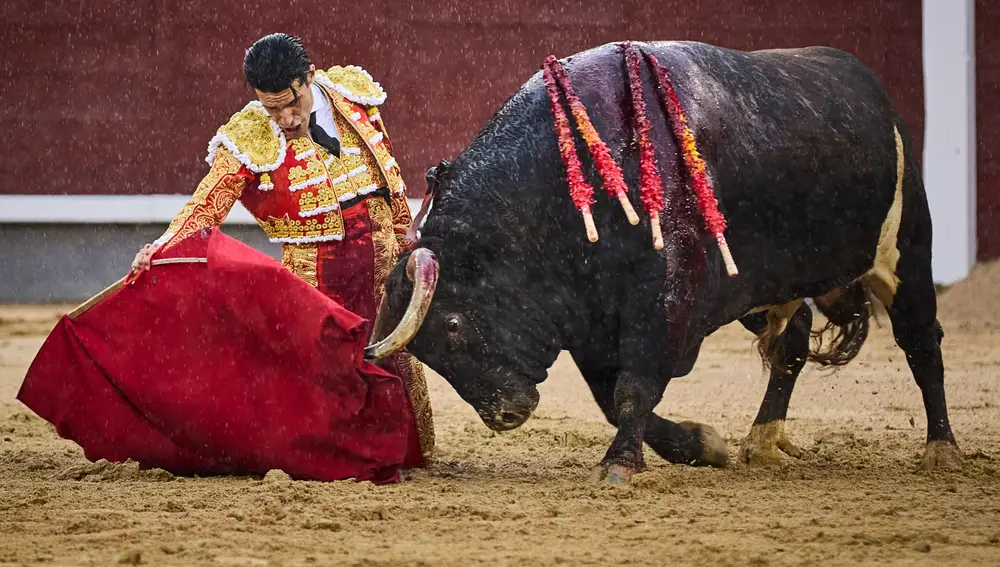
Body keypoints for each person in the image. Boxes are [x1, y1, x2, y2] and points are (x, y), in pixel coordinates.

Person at [130, 33, 434, 460]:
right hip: (315, 273)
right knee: (328, 364)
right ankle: (342, 458)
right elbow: (208, 201)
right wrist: (164, 245)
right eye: (273, 109)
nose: (287, 118)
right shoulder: (252, 132)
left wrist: (405, 236)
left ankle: (403, 453)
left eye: (293, 104)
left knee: (392, 355)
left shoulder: (350, 95)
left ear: (309, 76)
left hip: (383, 262)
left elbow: (388, 172)